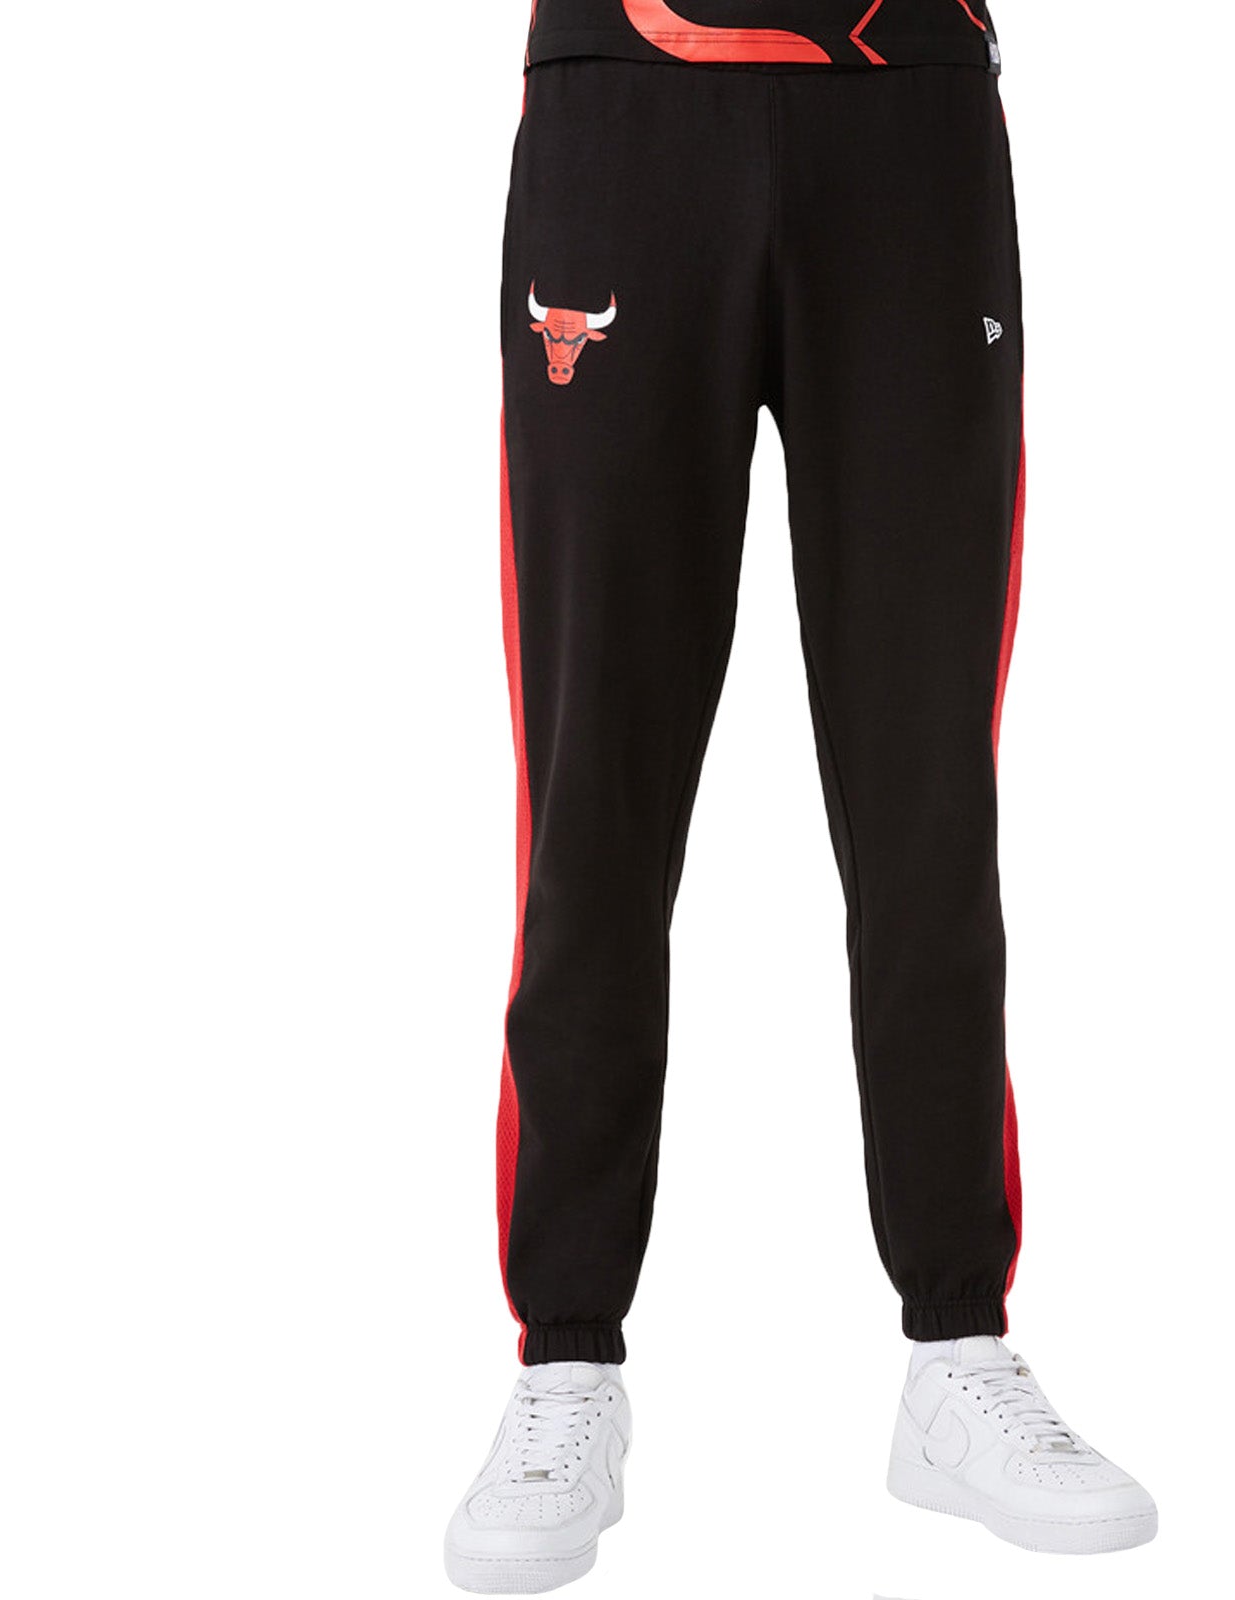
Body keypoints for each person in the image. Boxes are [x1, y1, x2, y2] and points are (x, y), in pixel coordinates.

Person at [445, 3, 1156, 1590]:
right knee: (591, 779)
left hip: (908, 105)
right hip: (626, 101)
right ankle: (567, 1356)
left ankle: (958, 1349)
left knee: (926, 785)